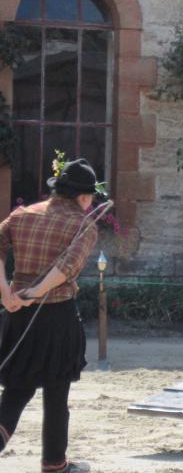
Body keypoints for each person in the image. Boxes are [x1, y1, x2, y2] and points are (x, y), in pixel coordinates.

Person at [0, 158, 101, 473]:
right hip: (58, 319)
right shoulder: (84, 225)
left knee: (17, 390)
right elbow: (67, 267)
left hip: (18, 317)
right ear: (84, 197)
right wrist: (35, 293)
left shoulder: (22, 215)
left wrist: (8, 294)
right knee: (57, 394)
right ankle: (55, 464)